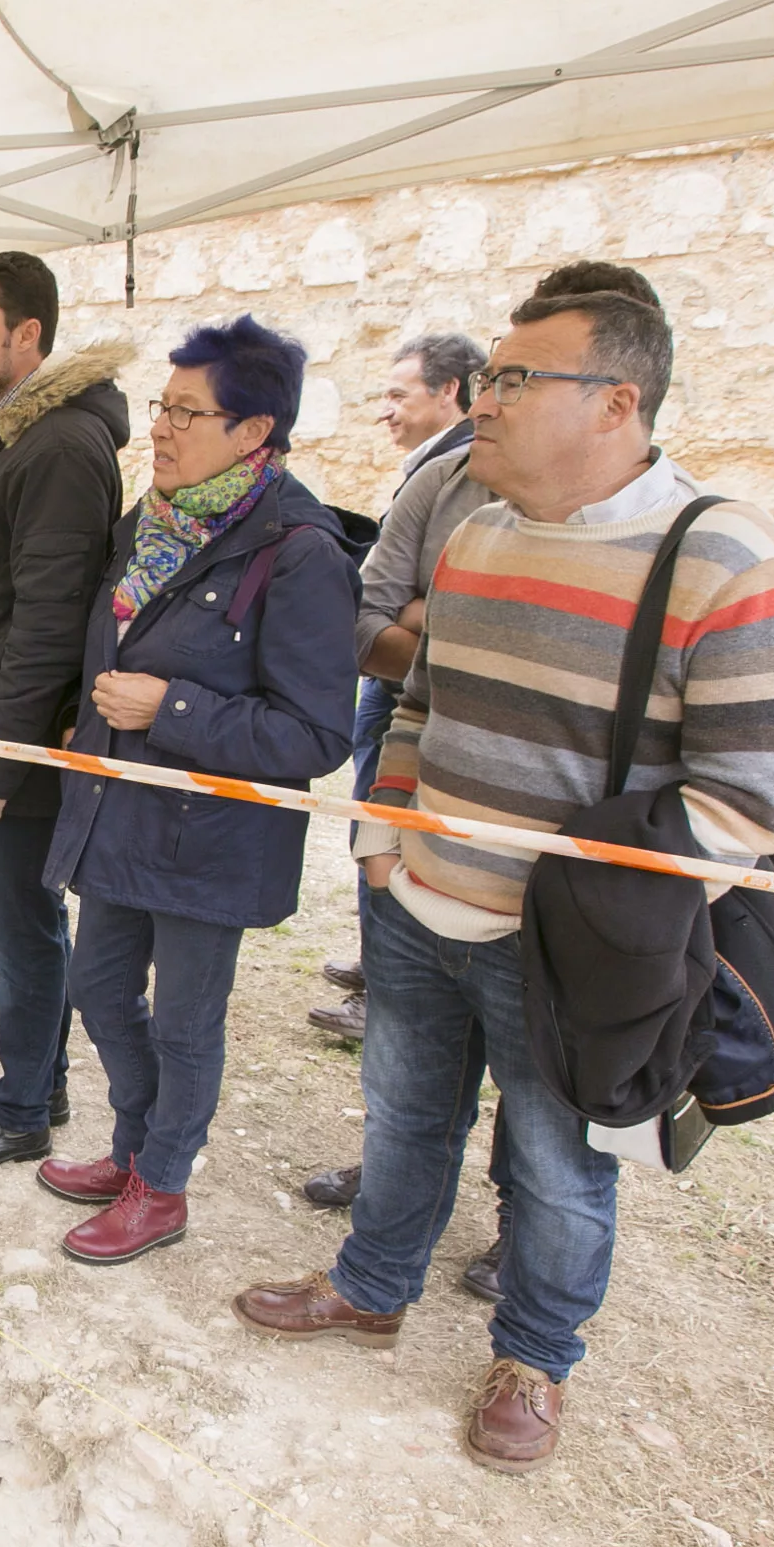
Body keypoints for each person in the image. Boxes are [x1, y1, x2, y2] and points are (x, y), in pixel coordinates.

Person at [233, 268, 774, 1476]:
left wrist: (598, 910)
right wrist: (385, 841)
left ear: (618, 402)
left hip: (569, 947)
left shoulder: (728, 556)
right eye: (486, 378)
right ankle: (373, 1287)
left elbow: (750, 800)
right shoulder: (480, 533)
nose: (480, 402)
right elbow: (416, 704)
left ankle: (536, 1358)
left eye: (511, 380)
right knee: (402, 1117)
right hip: (418, 905)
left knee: (556, 1166)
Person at [32, 319, 356, 1264]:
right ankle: (132, 1147)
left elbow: (316, 734)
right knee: (95, 988)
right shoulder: (152, 523)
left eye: (185, 412)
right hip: (117, 813)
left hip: (209, 837)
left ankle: (162, 1184)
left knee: (183, 1021)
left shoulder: (297, 552)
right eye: (161, 407)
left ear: (253, 431)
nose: (160, 429)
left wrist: (169, 707)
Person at [0, 252, 130, 1172]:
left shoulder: (57, 448)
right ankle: (39, 1080)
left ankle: (20, 1111)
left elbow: (45, 624)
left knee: (21, 926)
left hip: (21, 742)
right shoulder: (23, 437)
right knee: (24, 921)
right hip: (2, 727)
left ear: (26, 335)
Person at [308, 329, 483, 1044]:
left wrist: (413, 614)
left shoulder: (464, 475)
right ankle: (378, 967)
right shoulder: (433, 472)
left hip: (415, 693)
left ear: (450, 391)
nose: (384, 410)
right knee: (372, 829)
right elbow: (371, 610)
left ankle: (385, 988)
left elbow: (452, 608)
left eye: (397, 393)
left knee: (390, 833)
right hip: (394, 684)